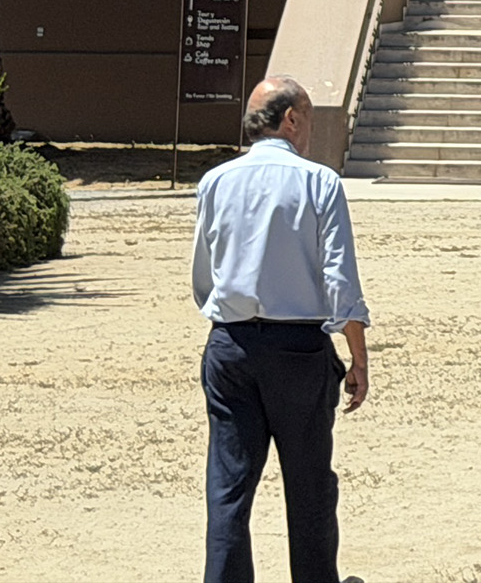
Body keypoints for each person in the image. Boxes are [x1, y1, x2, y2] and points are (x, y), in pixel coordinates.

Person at [191, 74, 371, 583]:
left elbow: (203, 276)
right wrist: (358, 355)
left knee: (228, 487)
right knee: (310, 486)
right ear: (291, 119)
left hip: (231, 343)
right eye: (308, 117)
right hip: (298, 348)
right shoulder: (319, 182)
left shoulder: (215, 181)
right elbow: (340, 278)